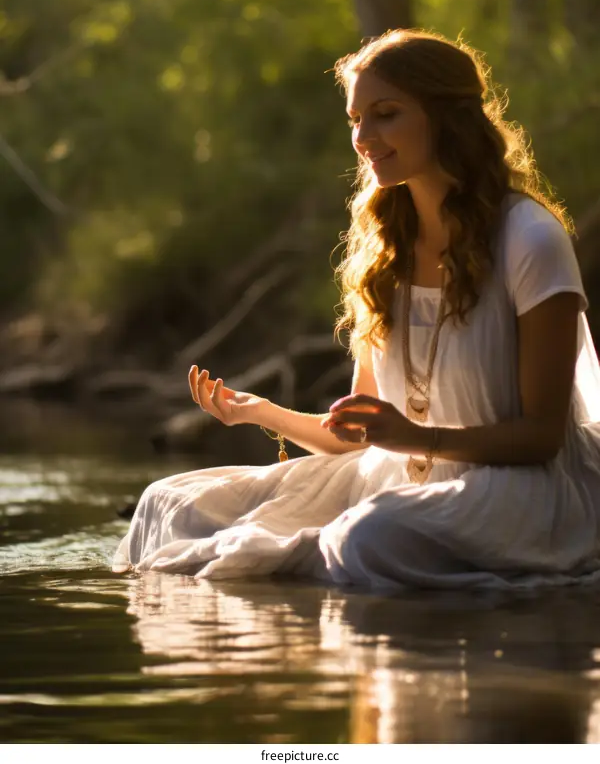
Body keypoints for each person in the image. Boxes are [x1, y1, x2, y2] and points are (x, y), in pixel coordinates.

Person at [113, 29, 600, 594]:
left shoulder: (529, 238)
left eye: (386, 114)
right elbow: (361, 436)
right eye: (355, 119)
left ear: (448, 116)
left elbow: (540, 439)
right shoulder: (382, 251)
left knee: (367, 537)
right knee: (169, 504)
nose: (364, 137)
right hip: (395, 476)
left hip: (519, 489)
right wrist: (260, 412)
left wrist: (415, 437)